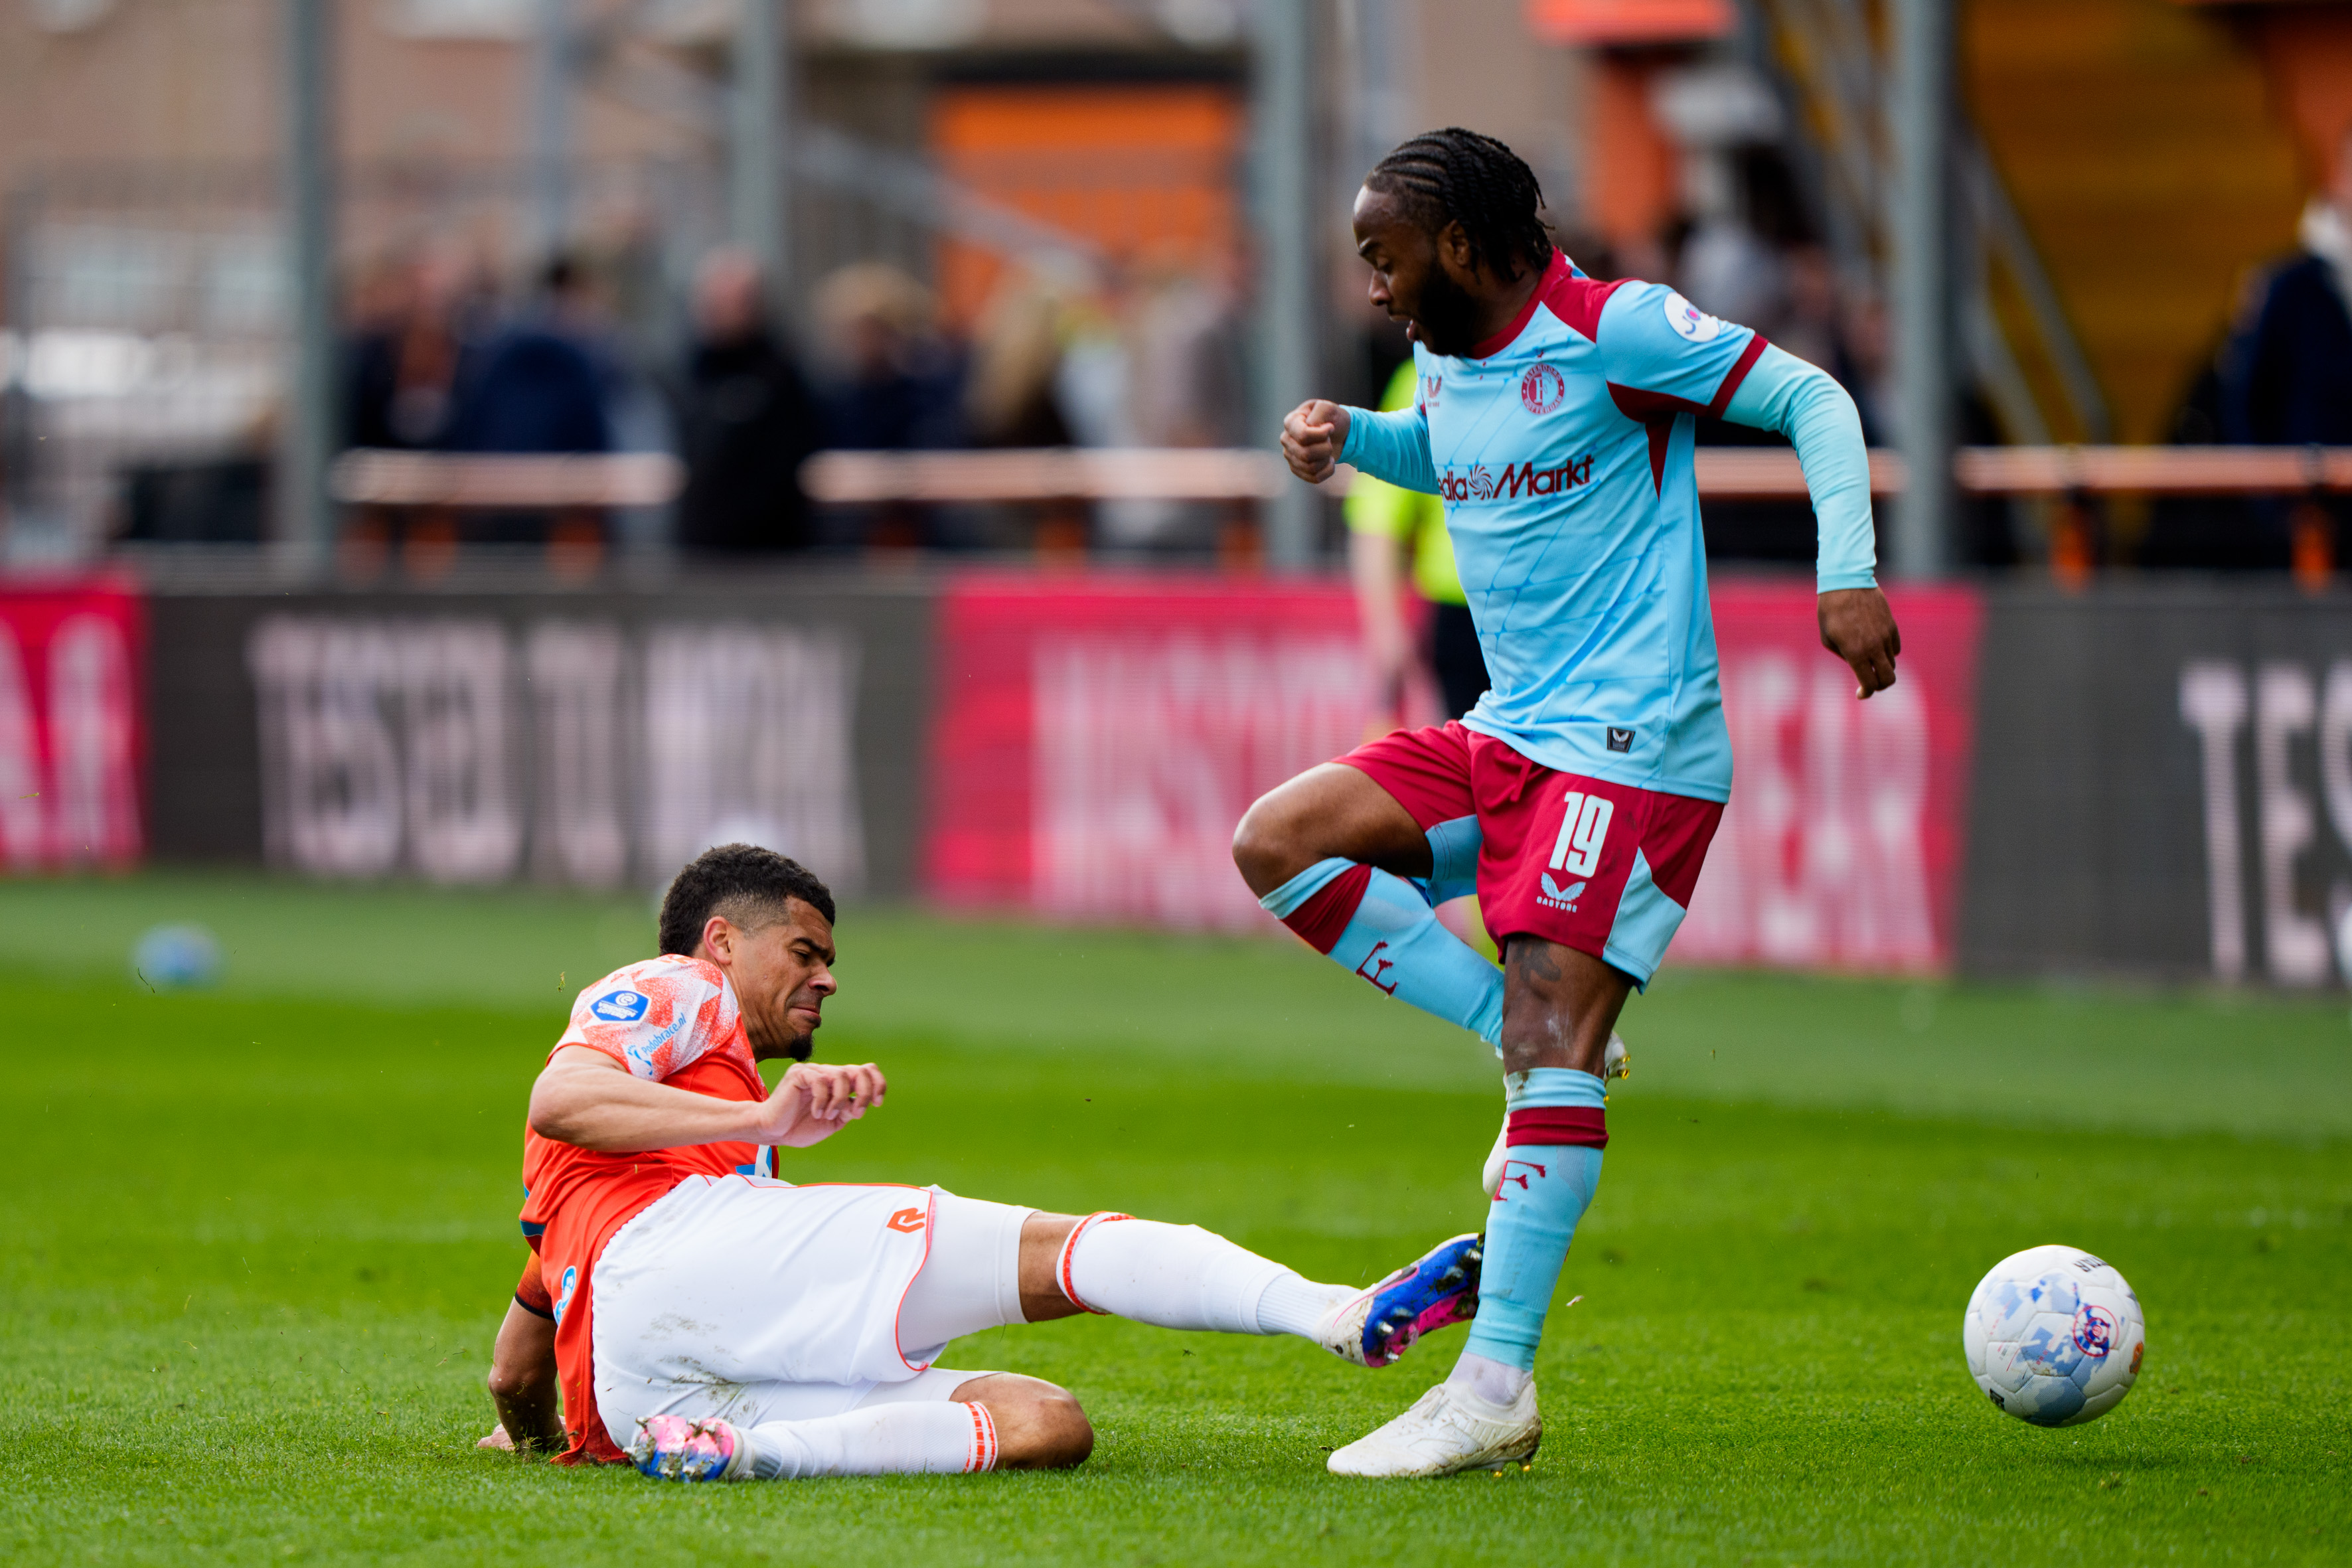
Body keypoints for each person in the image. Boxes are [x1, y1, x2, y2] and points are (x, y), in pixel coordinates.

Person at [1235, 129, 1899, 1477]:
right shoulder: (1445, 349)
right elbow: (1456, 454)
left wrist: (1848, 572)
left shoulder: (1618, 330)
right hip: (1507, 729)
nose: (1372, 285)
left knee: (1555, 1026)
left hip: (1631, 746)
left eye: (1383, 257)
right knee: (1281, 842)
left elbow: (1813, 398)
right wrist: (1354, 439)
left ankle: (1492, 1384)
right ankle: (1523, 1041)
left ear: (1459, 247)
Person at [482, 842, 1484, 1480]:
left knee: (1044, 1423)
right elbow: (560, 1096)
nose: (826, 979)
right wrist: (764, 1119)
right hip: (674, 1257)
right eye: (802, 952)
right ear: (721, 943)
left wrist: (529, 1440)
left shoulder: (659, 1153)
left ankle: (745, 1453)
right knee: (1063, 1250)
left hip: (641, 1394)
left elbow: (513, 1368)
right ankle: (1334, 1312)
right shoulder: (680, 984)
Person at [1347, 358, 1489, 726]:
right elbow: (1378, 519)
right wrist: (1386, 628)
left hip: (1542, 606)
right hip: (1460, 611)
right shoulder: (1424, 378)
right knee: (1478, 749)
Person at [672, 248, 823, 555]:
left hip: (770, 550)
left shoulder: (781, 372)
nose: (714, 310)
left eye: (726, 301)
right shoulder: (688, 370)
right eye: (709, 301)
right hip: (700, 549)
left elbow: (788, 462)